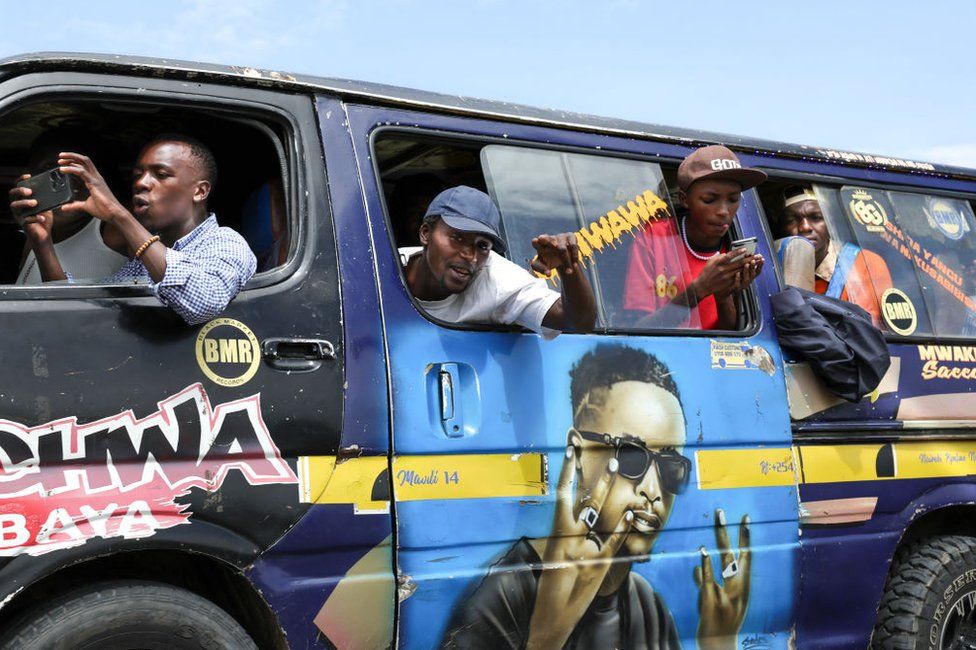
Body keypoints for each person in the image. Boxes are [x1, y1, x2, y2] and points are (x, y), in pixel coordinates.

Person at [442, 345, 751, 649]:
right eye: (631, 457)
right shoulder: (506, 594)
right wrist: (547, 634)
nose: (653, 491)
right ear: (578, 454)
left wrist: (719, 642)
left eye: (672, 468)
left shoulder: (645, 604)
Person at [9, 134, 256, 325]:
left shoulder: (225, 242)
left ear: (200, 191)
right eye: (138, 175)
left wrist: (119, 215)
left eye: (160, 174)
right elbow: (79, 312)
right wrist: (43, 244)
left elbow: (203, 302)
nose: (141, 183)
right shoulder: (140, 263)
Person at [402, 185, 596, 336]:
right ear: (426, 234)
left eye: (482, 246)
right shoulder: (379, 267)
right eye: (458, 238)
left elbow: (579, 322)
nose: (471, 256)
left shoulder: (498, 279)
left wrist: (567, 266)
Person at [623, 145, 766, 330]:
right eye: (709, 199)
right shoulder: (655, 237)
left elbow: (730, 337)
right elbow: (637, 329)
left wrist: (725, 296)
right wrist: (699, 289)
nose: (724, 211)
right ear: (684, 199)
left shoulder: (737, 247)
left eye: (733, 200)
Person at [15, 128, 128, 284]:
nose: (63, 179)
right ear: (30, 179)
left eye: (72, 167)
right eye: (48, 169)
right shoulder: (33, 233)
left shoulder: (111, 230)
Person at [773, 185, 892, 327]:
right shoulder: (773, 267)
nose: (805, 227)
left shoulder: (864, 262)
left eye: (816, 218)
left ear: (830, 223)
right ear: (781, 229)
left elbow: (871, 329)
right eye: (792, 220)